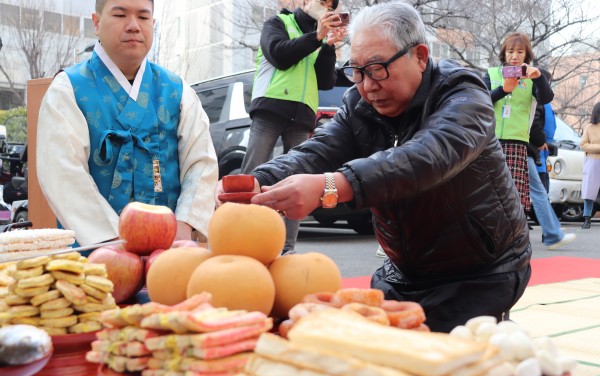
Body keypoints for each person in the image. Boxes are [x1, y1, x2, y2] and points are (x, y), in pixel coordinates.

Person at [216, 1, 531, 333]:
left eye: (378, 68)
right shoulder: (358, 104)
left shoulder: (463, 94)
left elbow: (428, 156)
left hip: (481, 270)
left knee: (443, 368)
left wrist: (332, 186)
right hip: (404, 270)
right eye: (357, 70)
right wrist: (256, 179)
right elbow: (317, 151)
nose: (367, 85)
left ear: (421, 56)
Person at [37, 0, 218, 246]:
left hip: (172, 252)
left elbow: (201, 162)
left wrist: (184, 226)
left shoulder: (177, 90)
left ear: (152, 24)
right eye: (120, 15)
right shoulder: (68, 89)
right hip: (96, 256)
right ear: (97, 23)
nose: (133, 26)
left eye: (143, 18)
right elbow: (63, 175)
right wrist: (113, 242)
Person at [240, 0, 346, 255]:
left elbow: (326, 81)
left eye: (330, 4)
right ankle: (240, 237)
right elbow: (280, 55)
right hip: (271, 107)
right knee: (252, 173)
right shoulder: (278, 22)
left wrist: (328, 46)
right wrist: (317, 36)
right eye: (320, 1)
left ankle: (287, 249)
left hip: (302, 114)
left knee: (296, 179)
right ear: (306, 2)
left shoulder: (319, 37)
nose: (325, 6)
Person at [483, 33, 554, 216]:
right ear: (504, 54)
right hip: (491, 142)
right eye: (510, 51)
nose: (514, 56)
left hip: (517, 142)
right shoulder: (492, 74)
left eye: (520, 52)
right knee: (490, 195)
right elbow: (481, 101)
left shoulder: (531, 78)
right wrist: (503, 90)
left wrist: (538, 78)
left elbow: (546, 98)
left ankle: (514, 238)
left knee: (513, 198)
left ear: (526, 55)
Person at [528, 112, 576, 248]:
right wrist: (541, 140)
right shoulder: (534, 94)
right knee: (539, 193)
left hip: (529, 150)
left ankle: (551, 234)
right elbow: (533, 120)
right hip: (527, 149)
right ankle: (552, 235)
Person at [581, 102, 600, 229]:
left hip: (594, 160)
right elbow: (583, 145)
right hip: (593, 161)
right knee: (589, 191)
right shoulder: (589, 127)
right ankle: (587, 218)